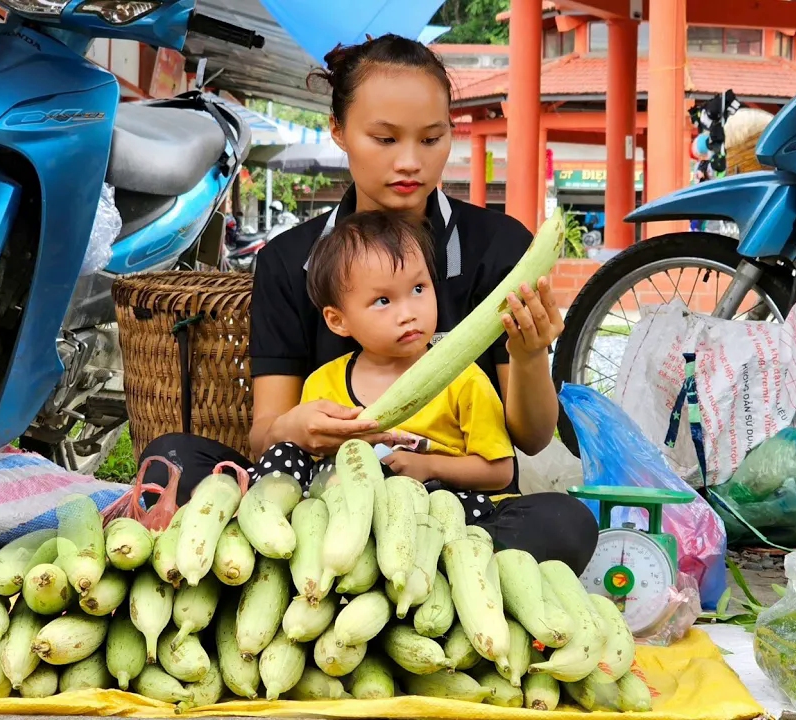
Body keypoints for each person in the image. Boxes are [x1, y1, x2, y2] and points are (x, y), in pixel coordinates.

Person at [141, 34, 598, 573]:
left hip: (453, 508)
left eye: (432, 139)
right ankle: (397, 574)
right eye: (384, 139)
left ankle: (340, 573)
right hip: (320, 501)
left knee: (567, 522)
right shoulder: (290, 261)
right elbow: (266, 431)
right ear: (338, 131)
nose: (411, 162)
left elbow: (528, 439)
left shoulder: (498, 248)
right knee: (175, 457)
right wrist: (298, 427)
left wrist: (526, 358)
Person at [273, 210, 515, 521]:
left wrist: (429, 467)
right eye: (383, 301)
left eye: (418, 289)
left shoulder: (462, 377)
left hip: (441, 514)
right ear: (338, 320)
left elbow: (500, 471)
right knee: (285, 456)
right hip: (350, 518)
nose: (408, 313)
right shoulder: (323, 384)